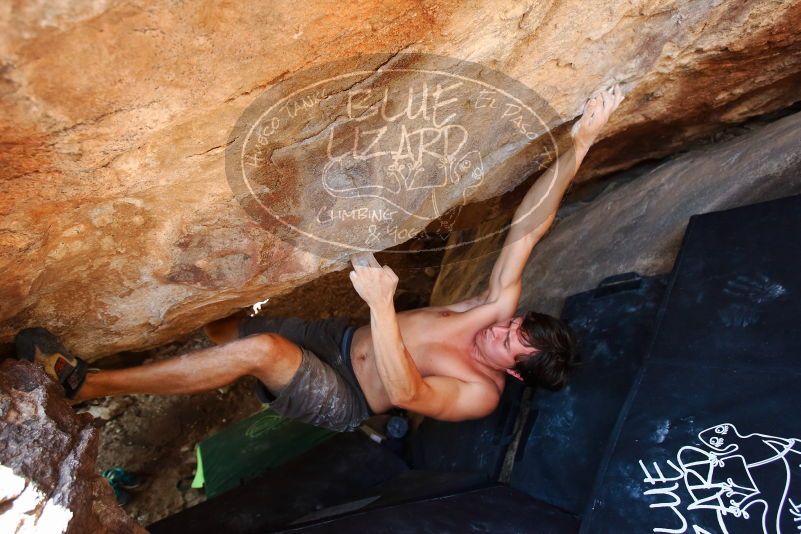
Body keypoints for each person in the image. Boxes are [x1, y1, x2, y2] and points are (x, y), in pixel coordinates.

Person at [15, 86, 624, 432]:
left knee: (262, 353)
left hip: (347, 394)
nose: (499, 329)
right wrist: (580, 146)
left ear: (513, 373)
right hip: (335, 333)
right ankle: (201, 353)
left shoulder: (478, 394)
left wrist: (384, 305)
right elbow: (527, 230)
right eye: (513, 325)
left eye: (507, 344)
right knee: (226, 329)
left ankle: (84, 383)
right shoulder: (492, 311)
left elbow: (407, 392)